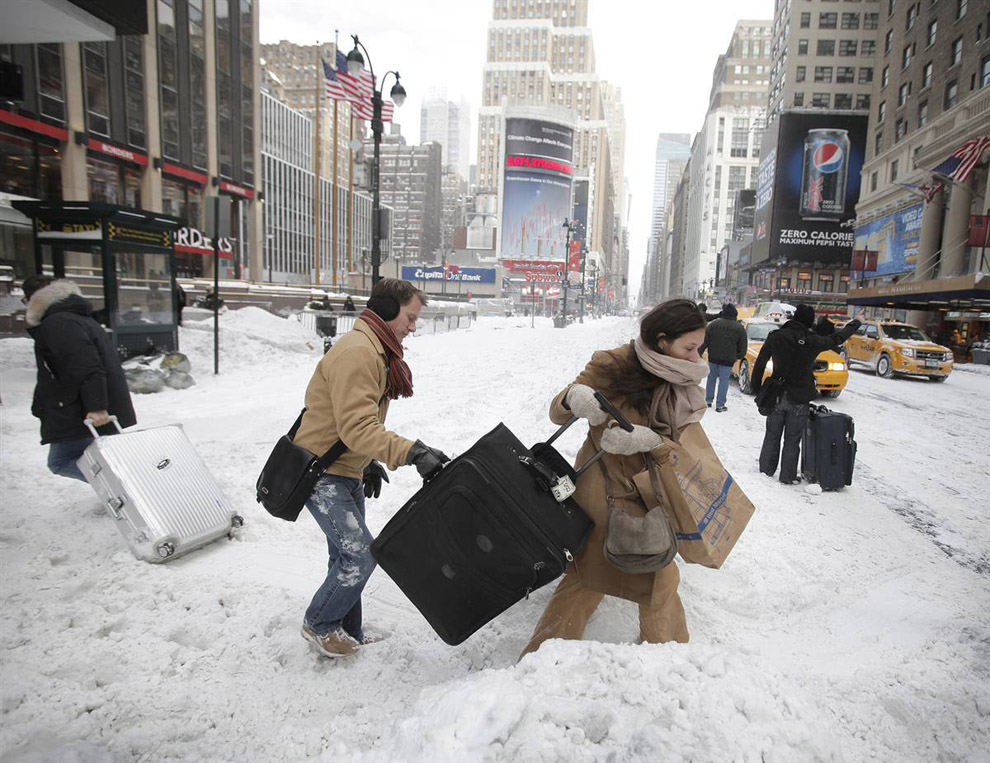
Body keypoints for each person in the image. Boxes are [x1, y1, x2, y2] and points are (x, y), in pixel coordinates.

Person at [521, 298, 709, 658]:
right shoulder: (611, 364)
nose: (695, 358)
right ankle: (541, 663)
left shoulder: (683, 380)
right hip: (602, 490)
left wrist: (651, 441)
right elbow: (557, 412)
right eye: (689, 347)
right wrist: (573, 397)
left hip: (650, 491)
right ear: (662, 340)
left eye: (698, 348)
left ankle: (671, 661)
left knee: (655, 576)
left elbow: (684, 448)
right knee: (592, 576)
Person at [292, 278, 449, 658]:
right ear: (387, 309)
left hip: (345, 468)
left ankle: (349, 630)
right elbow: (357, 426)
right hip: (320, 472)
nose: (413, 326)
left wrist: (370, 460)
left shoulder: (377, 350)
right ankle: (320, 624)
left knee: (343, 555)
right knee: (360, 554)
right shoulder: (359, 353)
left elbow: (353, 420)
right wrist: (411, 452)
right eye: (409, 317)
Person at [23, 275, 136, 481]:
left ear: (34, 299)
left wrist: (97, 406)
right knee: (106, 457)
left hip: (78, 406)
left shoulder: (58, 322)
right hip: (82, 402)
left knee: (61, 461)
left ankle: (130, 487)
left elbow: (85, 365)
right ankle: (129, 488)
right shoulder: (75, 317)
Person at [751, 304, 863, 485]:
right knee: (793, 439)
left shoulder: (776, 336)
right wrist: (856, 322)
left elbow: (760, 362)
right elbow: (838, 338)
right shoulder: (814, 341)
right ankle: (787, 476)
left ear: (794, 318)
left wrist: (757, 388)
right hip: (799, 396)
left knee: (772, 433)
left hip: (776, 395)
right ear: (809, 321)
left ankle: (766, 470)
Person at [699, 303, 747, 412]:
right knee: (723, 381)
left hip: (713, 357)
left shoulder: (713, 325)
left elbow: (705, 341)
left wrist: (699, 352)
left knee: (711, 378)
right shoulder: (739, 328)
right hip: (728, 359)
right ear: (735, 314)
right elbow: (743, 345)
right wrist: (738, 356)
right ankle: (720, 404)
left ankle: (708, 400)